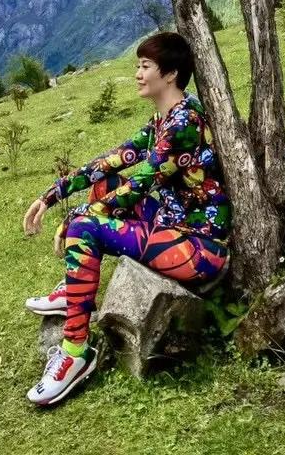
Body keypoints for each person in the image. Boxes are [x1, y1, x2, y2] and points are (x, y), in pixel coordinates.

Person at [20, 32, 230, 408]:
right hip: (173, 224)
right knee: (104, 187)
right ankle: (76, 290)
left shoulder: (183, 123)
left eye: (145, 66)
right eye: (138, 65)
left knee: (86, 224)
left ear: (170, 75)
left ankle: (75, 352)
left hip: (199, 250)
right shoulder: (164, 118)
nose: (137, 73)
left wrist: (76, 218)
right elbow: (114, 161)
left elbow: (141, 183)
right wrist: (50, 195)